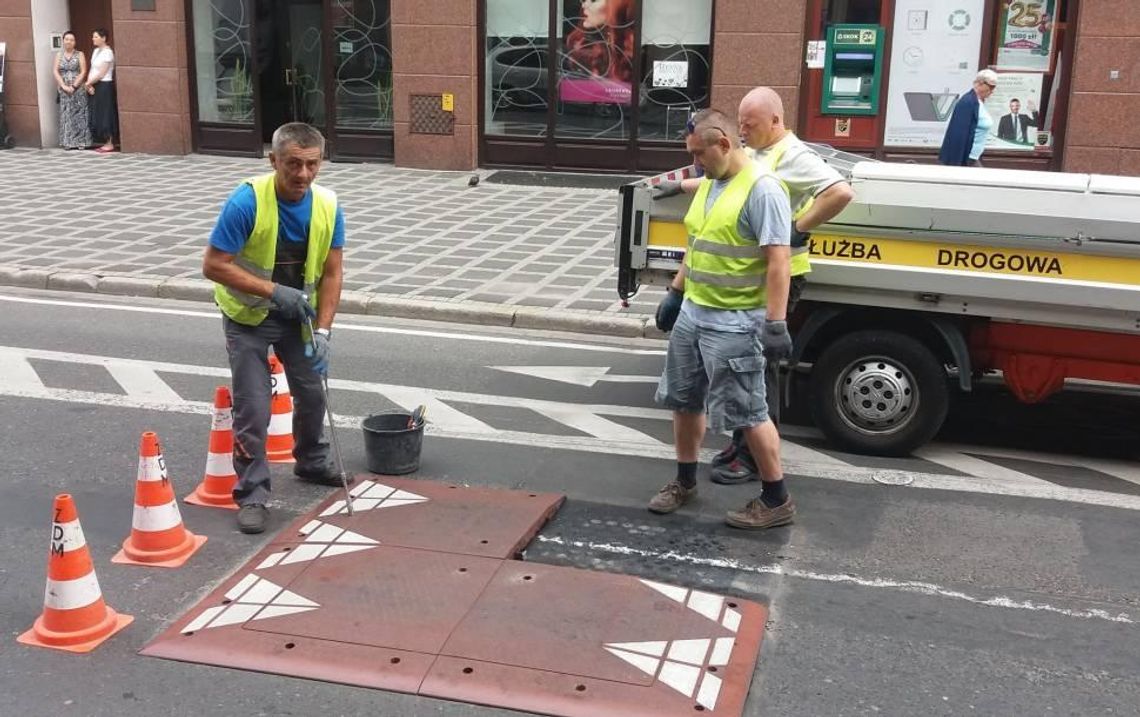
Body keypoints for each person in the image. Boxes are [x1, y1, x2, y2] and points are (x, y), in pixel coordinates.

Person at [655, 87, 856, 485]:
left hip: (750, 297)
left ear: (775, 121)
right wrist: (677, 291)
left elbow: (836, 195)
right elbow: (699, 238)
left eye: (751, 124)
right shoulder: (724, 173)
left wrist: (797, 231)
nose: (746, 131)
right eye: (742, 123)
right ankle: (709, 467)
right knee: (700, 396)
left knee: (753, 393)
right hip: (701, 305)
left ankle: (764, 481)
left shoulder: (782, 166)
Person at [647, 108, 796, 530]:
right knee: (684, 399)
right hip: (695, 311)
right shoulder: (712, 183)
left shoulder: (763, 190)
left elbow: (778, 262)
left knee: (748, 410)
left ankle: (776, 498)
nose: (695, 164)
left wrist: (775, 322)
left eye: (699, 154)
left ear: (725, 144)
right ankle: (684, 480)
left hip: (733, 321)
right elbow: (698, 243)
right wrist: (676, 292)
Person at [201, 122, 348, 535]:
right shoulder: (246, 201)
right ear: (273, 161)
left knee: (311, 390)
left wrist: (324, 331)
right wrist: (271, 291)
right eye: (293, 164)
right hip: (248, 316)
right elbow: (213, 264)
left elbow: (333, 272)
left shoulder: (328, 205)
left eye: (312, 164)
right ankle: (252, 494)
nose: (303, 175)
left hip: (297, 315)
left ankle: (312, 462)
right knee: (254, 407)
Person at [563, 0, 635, 85]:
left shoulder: (632, 49)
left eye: (593, 0)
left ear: (616, 6)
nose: (584, 5)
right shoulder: (580, 46)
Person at [938, 69, 998, 167]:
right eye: (991, 87)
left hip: (973, 157)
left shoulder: (977, 102)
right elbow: (958, 134)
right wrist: (957, 164)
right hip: (967, 158)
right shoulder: (968, 102)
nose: (992, 91)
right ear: (980, 83)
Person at [53, 31, 91, 150]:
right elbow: (55, 71)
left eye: (71, 40)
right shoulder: (59, 55)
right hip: (64, 88)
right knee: (67, 114)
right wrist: (63, 86)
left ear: (75, 42)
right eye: (67, 39)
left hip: (78, 88)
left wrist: (74, 86)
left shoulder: (80, 54)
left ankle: (82, 141)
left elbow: (83, 71)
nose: (69, 42)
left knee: (80, 114)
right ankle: (68, 142)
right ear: (63, 41)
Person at [85, 28, 118, 153]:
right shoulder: (95, 51)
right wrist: (89, 85)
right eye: (93, 36)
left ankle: (110, 142)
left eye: (96, 37)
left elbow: (102, 72)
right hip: (94, 85)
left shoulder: (108, 53)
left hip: (104, 85)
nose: (93, 39)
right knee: (97, 112)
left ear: (104, 38)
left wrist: (88, 83)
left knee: (106, 112)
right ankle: (103, 140)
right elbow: (93, 69)